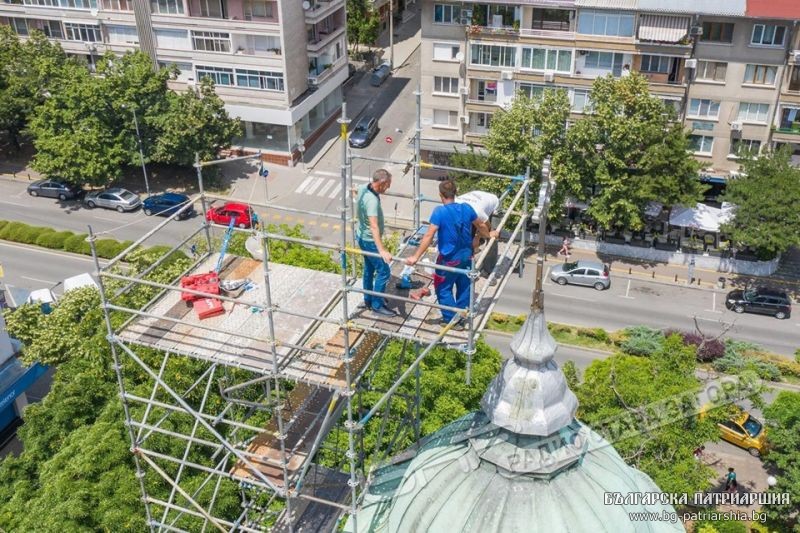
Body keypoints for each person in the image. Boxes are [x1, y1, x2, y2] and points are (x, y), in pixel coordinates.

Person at [406, 180, 479, 328]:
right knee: (464, 286)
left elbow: (429, 235)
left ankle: (451, 319)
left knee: (443, 288)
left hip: (449, 259)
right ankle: (462, 315)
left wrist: (416, 256)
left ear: (440, 195)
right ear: (456, 192)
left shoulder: (440, 211)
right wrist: (490, 234)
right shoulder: (466, 208)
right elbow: (481, 224)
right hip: (467, 256)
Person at [356, 169, 396, 317]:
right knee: (384, 271)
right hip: (370, 240)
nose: (389, 187)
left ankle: (368, 298)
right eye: (388, 184)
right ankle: (377, 305)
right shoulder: (372, 201)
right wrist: (382, 250)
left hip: (360, 235)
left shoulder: (363, 188)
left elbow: (355, 191)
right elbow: (374, 226)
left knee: (369, 268)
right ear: (382, 183)